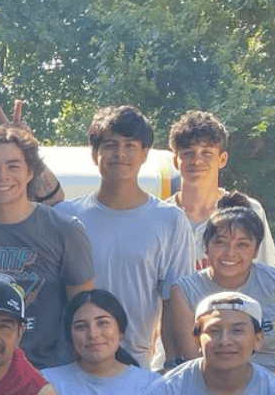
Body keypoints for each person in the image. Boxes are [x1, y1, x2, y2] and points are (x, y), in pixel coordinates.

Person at [54, 105, 196, 367]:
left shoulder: (170, 221)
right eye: (110, 145)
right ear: (95, 153)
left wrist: (174, 365)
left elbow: (174, 303)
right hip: (72, 365)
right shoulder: (65, 218)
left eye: (130, 145)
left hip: (138, 366)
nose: (120, 154)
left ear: (144, 154)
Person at [0, 125, 96, 369]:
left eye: (13, 166)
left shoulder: (65, 230)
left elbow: (82, 310)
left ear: (30, 172)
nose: (2, 176)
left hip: (45, 371)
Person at [164, 193, 275, 372]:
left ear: (257, 249)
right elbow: (193, 359)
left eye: (242, 245)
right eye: (221, 242)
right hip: (213, 383)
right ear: (206, 247)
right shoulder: (184, 290)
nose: (230, 252)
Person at [162, 111, 275, 267]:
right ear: (176, 161)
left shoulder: (247, 210)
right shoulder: (161, 216)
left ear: (222, 159)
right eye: (188, 153)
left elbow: (267, 276)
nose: (196, 160)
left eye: (207, 153)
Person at [147, 292, 275, 395]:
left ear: (257, 340)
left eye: (237, 330)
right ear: (197, 339)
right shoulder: (168, 390)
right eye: (214, 331)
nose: (225, 341)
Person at [41, 290, 159, 395]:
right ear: (70, 336)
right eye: (81, 326)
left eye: (102, 323)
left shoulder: (150, 385)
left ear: (120, 331)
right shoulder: (46, 382)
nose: (93, 334)